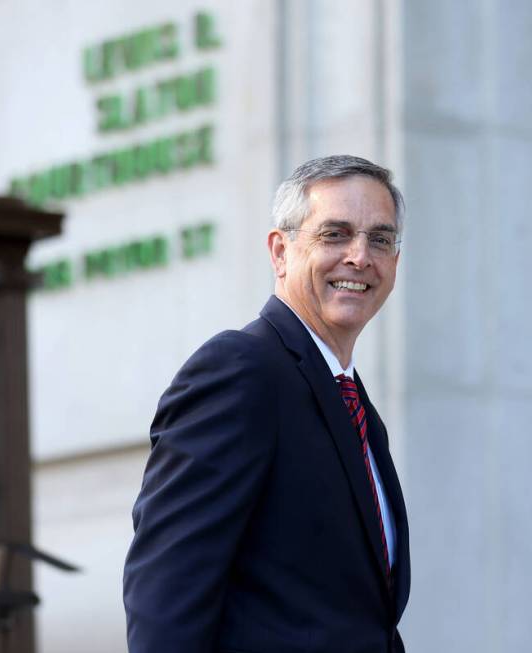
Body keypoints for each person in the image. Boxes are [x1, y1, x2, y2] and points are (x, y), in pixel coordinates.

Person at [123, 155, 410, 652]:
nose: (360, 256)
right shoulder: (240, 370)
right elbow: (166, 597)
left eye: (379, 239)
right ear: (281, 252)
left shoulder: (356, 408)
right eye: (335, 234)